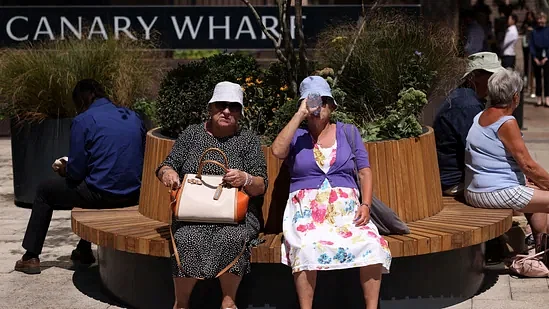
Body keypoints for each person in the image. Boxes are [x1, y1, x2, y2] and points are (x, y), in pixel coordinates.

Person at [271, 76, 391, 309]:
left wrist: (365, 205)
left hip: (346, 213)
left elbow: (365, 171)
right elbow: (277, 151)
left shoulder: (348, 132)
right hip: (306, 214)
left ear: (333, 105)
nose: (319, 106)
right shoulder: (297, 136)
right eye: (313, 101)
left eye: (324, 101)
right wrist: (299, 115)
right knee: (305, 248)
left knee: (372, 243)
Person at [14, 79, 146, 274]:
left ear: (84, 99)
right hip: (133, 193)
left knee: (46, 190)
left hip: (103, 195)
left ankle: (31, 256)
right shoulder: (133, 117)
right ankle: (83, 249)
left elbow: (76, 173)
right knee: (95, 180)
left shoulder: (83, 120)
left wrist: (64, 169)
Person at [156, 81, 267, 309]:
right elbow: (166, 165)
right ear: (210, 108)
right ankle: (182, 303)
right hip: (192, 212)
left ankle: (228, 302)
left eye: (233, 107)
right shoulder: (192, 134)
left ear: (240, 113)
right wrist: (169, 174)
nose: (226, 111)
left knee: (233, 237)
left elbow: (261, 185)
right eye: (220, 105)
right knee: (187, 237)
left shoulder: (248, 140)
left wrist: (245, 178)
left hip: (237, 214)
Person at [464, 69, 549, 252]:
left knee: (538, 194)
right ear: (515, 97)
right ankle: (540, 250)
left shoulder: (481, 115)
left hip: (477, 189)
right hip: (493, 192)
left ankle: (541, 248)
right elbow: (528, 166)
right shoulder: (506, 122)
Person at [433, 52, 504, 196]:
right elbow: (479, 150)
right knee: (531, 190)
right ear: (474, 76)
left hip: (458, 177)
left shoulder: (466, 97)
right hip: (455, 182)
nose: (497, 81)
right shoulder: (467, 105)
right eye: (493, 76)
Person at [530, 12, 549, 106]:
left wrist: (547, 57)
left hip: (547, 56)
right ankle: (538, 98)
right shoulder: (534, 32)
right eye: (539, 19)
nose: (540, 20)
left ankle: (547, 98)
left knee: (547, 78)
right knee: (537, 78)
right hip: (537, 56)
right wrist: (534, 57)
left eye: (542, 18)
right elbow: (532, 45)